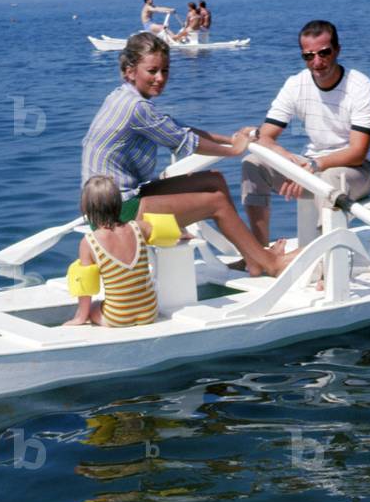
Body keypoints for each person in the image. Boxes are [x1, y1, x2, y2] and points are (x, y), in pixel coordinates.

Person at [81, 32, 297, 278]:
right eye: (152, 71)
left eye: (165, 70)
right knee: (216, 203)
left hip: (118, 198)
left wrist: (231, 138)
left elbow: (176, 126)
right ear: (131, 71)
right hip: (113, 212)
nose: (160, 78)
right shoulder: (137, 107)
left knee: (213, 179)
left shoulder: (123, 95)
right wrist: (234, 151)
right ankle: (270, 263)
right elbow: (184, 141)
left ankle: (253, 258)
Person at [241, 20, 370, 247]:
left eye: (324, 53)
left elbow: (357, 152)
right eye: (308, 56)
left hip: (359, 170)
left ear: (337, 50)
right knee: (252, 164)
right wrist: (289, 162)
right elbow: (265, 136)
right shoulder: (295, 84)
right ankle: (260, 253)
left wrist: (312, 167)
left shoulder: (360, 86)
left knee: (328, 181)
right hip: (311, 166)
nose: (317, 62)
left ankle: (328, 261)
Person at [65, 175, 174, 327]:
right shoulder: (139, 227)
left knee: (94, 307)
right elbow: (168, 231)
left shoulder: (89, 242)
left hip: (118, 318)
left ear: (87, 207)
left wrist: (81, 317)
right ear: (118, 202)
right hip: (149, 312)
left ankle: (80, 316)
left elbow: (86, 287)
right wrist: (182, 233)